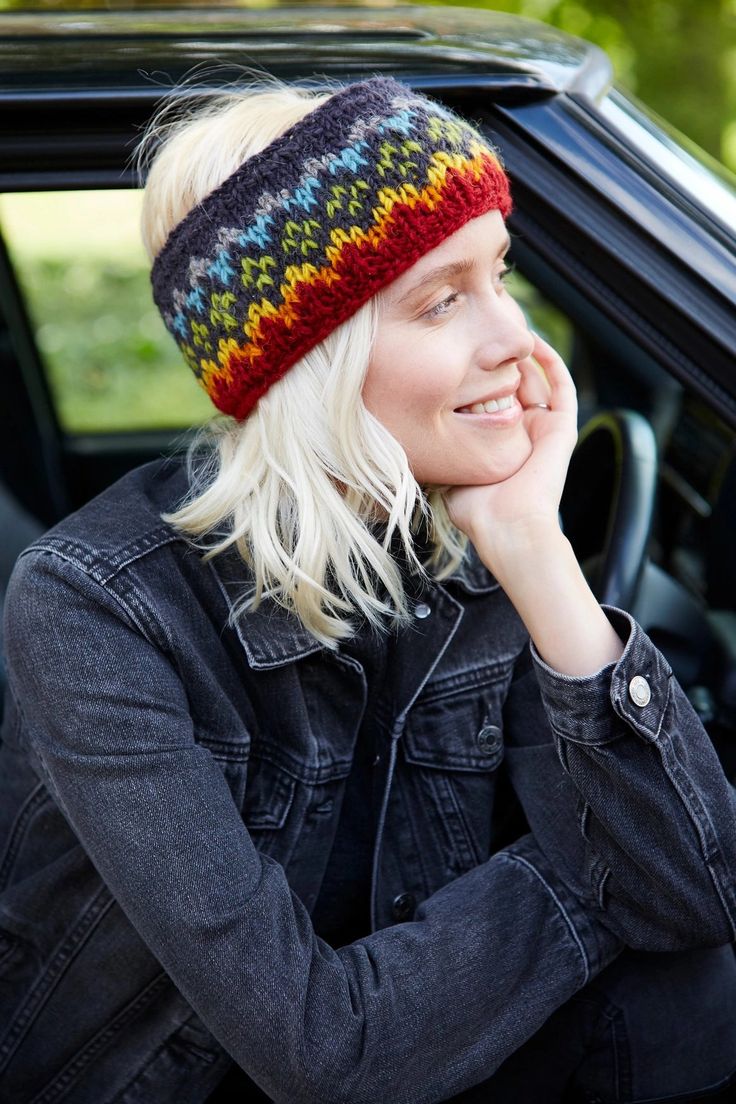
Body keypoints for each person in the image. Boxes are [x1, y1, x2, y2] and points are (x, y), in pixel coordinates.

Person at [0, 75, 735, 1104]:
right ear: (309, 361)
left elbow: (696, 897)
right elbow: (322, 1055)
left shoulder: (468, 523)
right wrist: (595, 886)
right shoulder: (94, 607)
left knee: (682, 988)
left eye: (501, 277)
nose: (514, 342)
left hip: (413, 1029)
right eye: (441, 301)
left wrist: (534, 548)